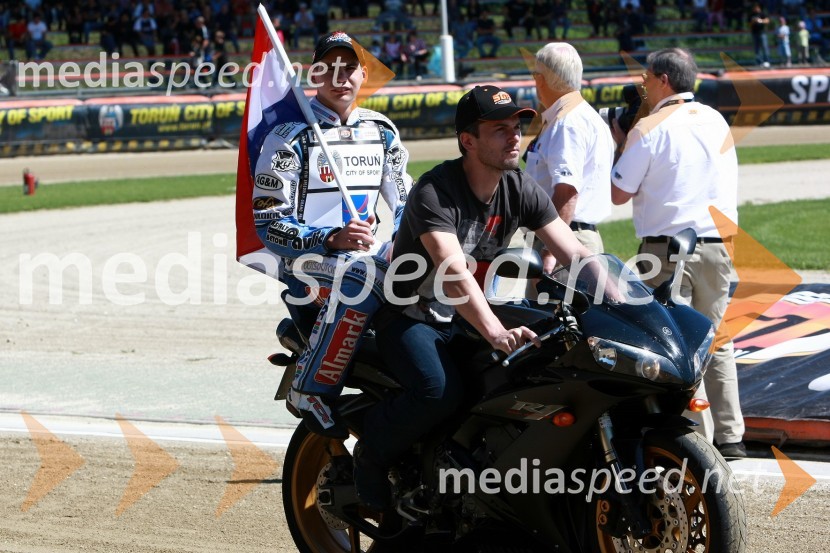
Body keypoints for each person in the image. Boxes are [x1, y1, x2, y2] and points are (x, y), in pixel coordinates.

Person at [355, 85, 593, 509]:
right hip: (411, 315)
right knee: (438, 392)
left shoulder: (518, 187)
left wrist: (628, 300)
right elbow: (452, 272)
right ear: (469, 140)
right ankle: (370, 454)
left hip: (468, 313)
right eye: (500, 129)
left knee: (535, 372)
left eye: (517, 126)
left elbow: (574, 251)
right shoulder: (435, 191)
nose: (515, 136)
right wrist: (497, 332)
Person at [252, 31, 412, 437]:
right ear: (315, 74)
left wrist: (402, 244)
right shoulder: (288, 137)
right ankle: (309, 387)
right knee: (361, 278)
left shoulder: (382, 131)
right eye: (330, 68)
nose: (341, 77)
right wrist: (329, 238)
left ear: (363, 73)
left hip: (370, 257)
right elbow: (268, 224)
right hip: (306, 262)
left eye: (350, 68)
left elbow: (405, 206)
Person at [610, 48, 746, 459]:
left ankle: (695, 437)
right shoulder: (715, 117)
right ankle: (732, 435)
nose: (644, 86)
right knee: (717, 340)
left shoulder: (650, 125)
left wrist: (622, 141)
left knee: (675, 341)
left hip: (667, 250)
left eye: (647, 78)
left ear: (663, 80)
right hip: (718, 245)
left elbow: (618, 193)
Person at [525, 42, 614, 262]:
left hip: (564, 239)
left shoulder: (567, 123)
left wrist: (549, 250)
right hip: (572, 236)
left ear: (541, 79)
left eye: (536, 74)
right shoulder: (580, 116)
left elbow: (567, 192)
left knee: (552, 298)